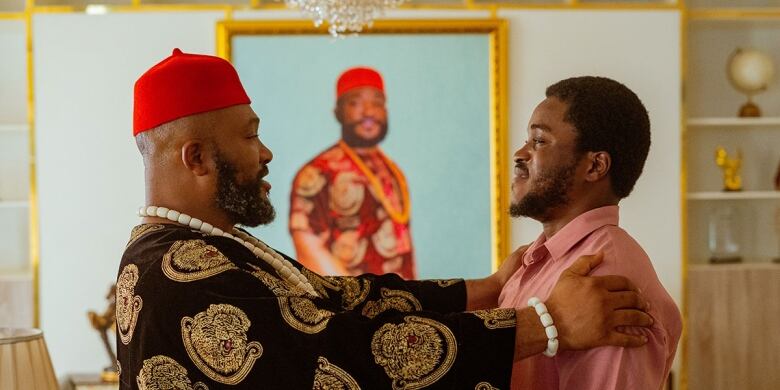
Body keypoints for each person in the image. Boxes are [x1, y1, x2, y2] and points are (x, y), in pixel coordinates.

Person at [117, 49, 654, 389]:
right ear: (198, 158)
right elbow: (338, 352)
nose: (266, 154)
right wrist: (545, 325)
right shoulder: (176, 271)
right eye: (250, 135)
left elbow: (336, 298)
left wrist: (481, 290)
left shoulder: (207, 247)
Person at [499, 76, 683, 389]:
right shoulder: (529, 263)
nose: (520, 154)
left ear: (595, 167)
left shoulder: (606, 277)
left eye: (539, 141)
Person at [289, 67, 416, 279]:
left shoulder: (391, 170)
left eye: (377, 103)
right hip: (350, 305)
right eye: (355, 103)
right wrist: (357, 302)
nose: (369, 112)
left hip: (401, 304)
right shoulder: (318, 171)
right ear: (337, 113)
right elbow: (308, 245)